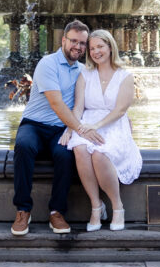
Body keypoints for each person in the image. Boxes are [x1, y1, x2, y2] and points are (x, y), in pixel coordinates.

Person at [11, 20, 102, 236]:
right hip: (34, 124)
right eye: (73, 41)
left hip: (62, 129)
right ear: (63, 40)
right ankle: (23, 210)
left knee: (66, 154)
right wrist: (81, 129)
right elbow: (57, 104)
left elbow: (89, 103)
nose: (78, 47)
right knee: (23, 146)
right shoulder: (47, 64)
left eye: (82, 43)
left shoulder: (83, 71)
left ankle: (57, 211)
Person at [61, 29, 142, 232]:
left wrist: (96, 127)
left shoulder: (125, 76)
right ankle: (96, 206)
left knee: (99, 153)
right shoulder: (85, 74)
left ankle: (117, 206)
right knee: (80, 149)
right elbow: (78, 106)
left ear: (110, 47)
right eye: (92, 48)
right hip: (87, 121)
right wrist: (72, 127)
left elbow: (121, 109)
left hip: (113, 124)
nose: (96, 52)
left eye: (100, 47)